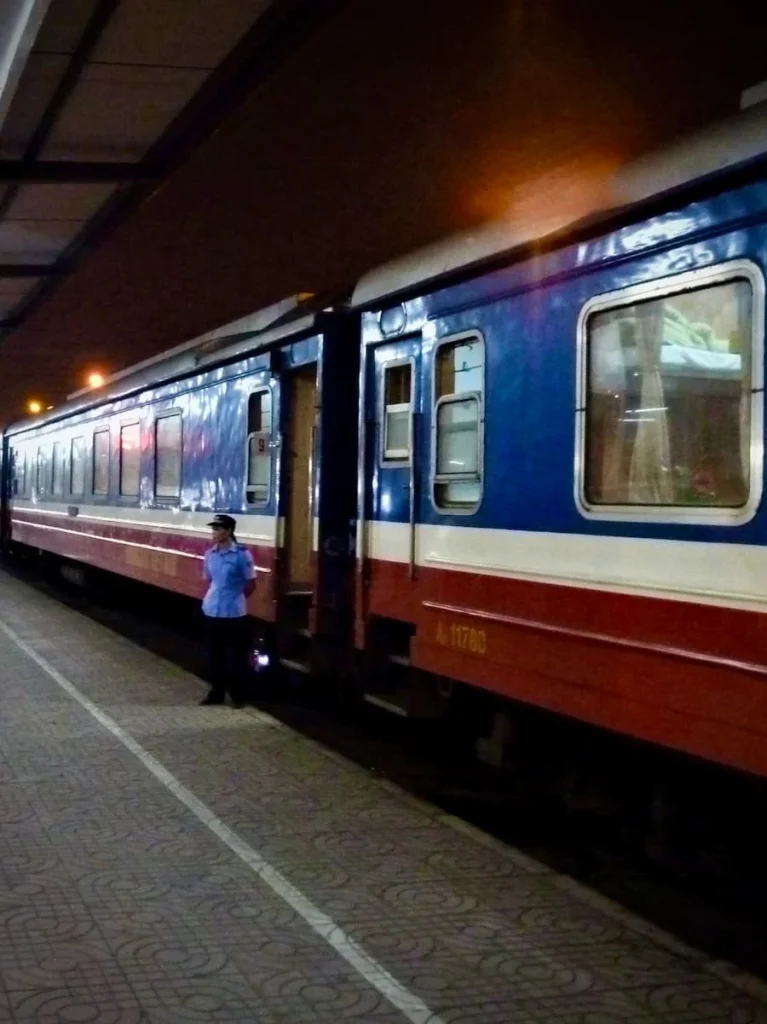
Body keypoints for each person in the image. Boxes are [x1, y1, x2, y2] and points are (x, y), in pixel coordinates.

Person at [200, 514, 256, 707]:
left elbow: (250, 584)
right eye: (213, 529)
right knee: (215, 656)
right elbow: (209, 580)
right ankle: (216, 693)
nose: (213, 532)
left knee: (237, 657)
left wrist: (234, 598)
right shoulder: (210, 554)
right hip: (212, 611)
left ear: (229, 531)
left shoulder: (242, 555)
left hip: (234, 614)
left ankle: (238, 696)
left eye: (217, 529)